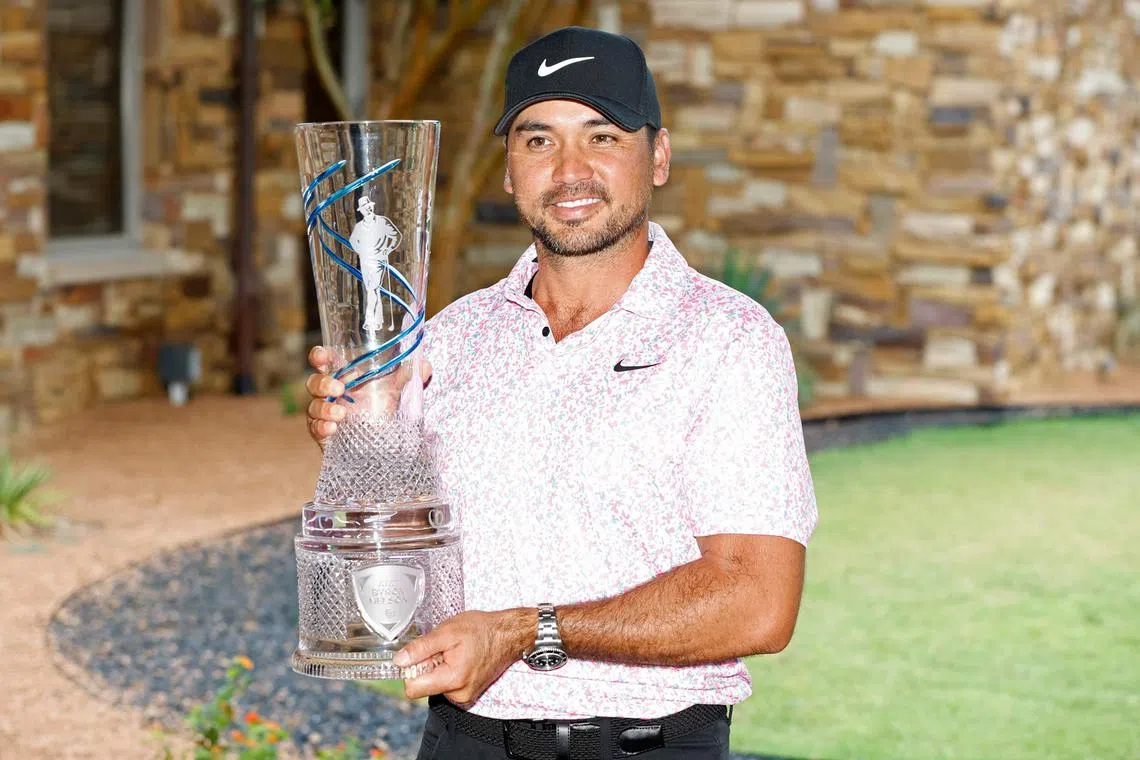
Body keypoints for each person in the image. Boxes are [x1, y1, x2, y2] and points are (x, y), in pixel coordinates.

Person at [306, 26, 818, 760]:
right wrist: (355, 436)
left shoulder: (729, 341)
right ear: (510, 172)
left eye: (602, 136)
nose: (569, 169)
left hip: (644, 747)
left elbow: (759, 604)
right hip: (461, 741)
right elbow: (400, 563)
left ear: (659, 157)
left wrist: (526, 631)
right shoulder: (451, 338)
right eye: (538, 140)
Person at [349, 194, 401, 331]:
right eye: (364, 208)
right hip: (365, 262)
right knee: (372, 289)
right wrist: (361, 251)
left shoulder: (382, 221)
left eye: (369, 207)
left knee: (372, 289)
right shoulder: (359, 226)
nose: (368, 210)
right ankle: (378, 321)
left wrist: (387, 249)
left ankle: (369, 321)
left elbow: (396, 236)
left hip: (378, 261)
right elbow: (352, 241)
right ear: (361, 211)